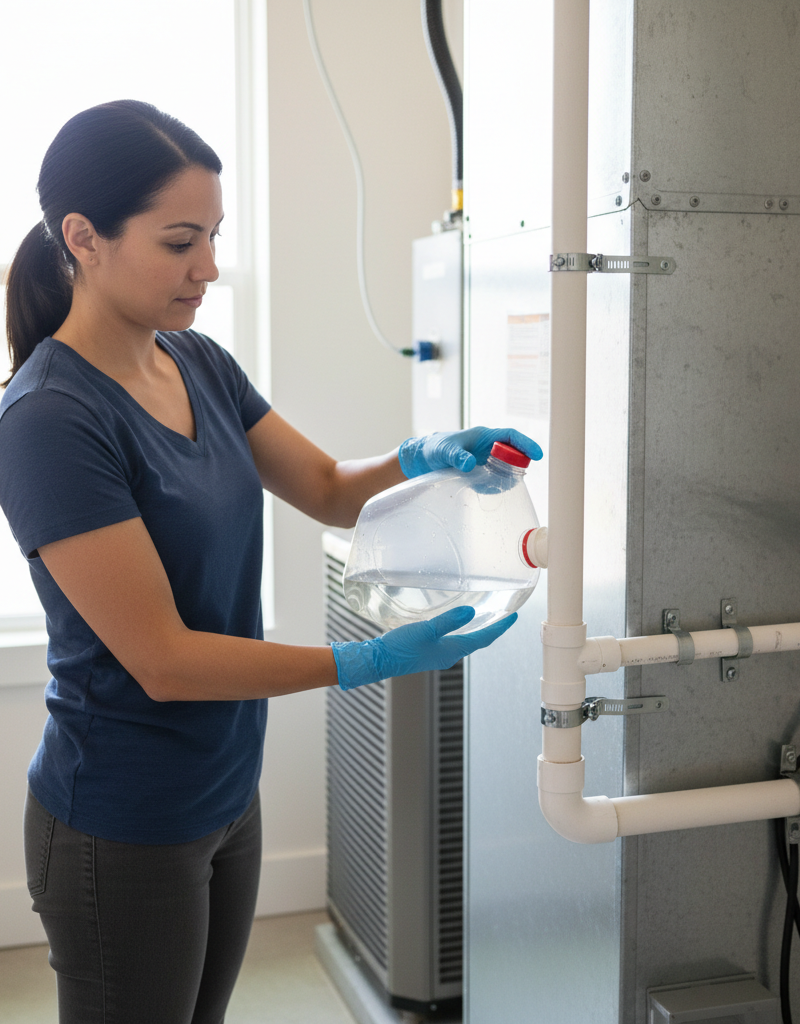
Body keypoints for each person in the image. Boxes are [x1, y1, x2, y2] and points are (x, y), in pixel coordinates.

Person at [0, 100, 543, 1024]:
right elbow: (165, 662)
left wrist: (425, 458)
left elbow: (330, 485)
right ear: (83, 238)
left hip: (224, 794)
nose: (207, 267)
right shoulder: (50, 420)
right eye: (179, 242)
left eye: (213, 236)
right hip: (121, 822)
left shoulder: (198, 362)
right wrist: (361, 662)